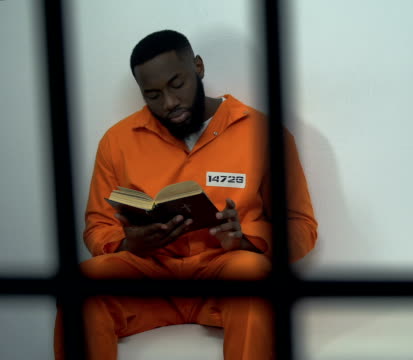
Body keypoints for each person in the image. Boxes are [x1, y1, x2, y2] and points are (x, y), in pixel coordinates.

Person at [53, 29, 317, 360]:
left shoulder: (264, 133)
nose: (169, 103)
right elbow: (96, 227)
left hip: (226, 273)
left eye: (177, 85)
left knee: (253, 277)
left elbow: (302, 227)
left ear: (199, 67)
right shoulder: (117, 141)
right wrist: (128, 243)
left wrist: (245, 238)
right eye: (152, 95)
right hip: (150, 276)